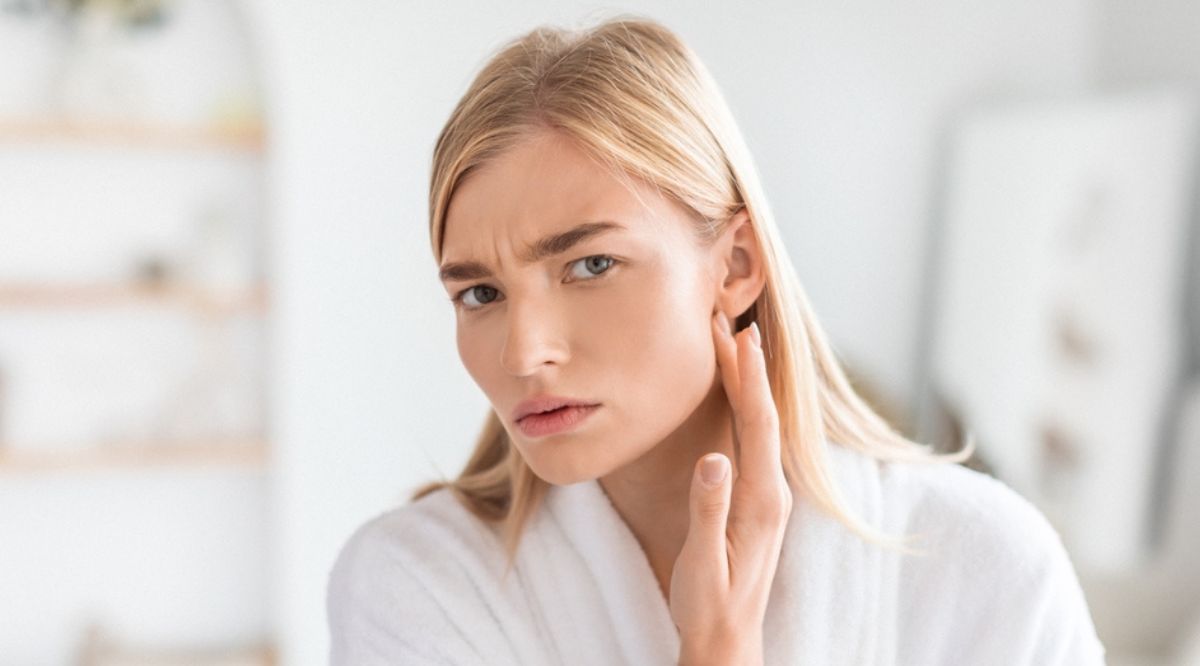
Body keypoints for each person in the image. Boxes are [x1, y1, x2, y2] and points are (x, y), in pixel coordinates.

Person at [327, 15, 1107, 665]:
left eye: (590, 264)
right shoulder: (418, 586)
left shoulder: (984, 565)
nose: (523, 352)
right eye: (480, 293)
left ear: (734, 265)